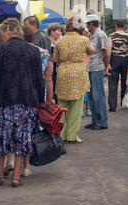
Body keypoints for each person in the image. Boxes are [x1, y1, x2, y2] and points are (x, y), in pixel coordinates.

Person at [0, 18, 45, 187]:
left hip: (4, 101)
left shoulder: (0, 50)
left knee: (1, 137)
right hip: (27, 101)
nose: (0, 36)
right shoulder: (33, 51)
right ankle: (16, 177)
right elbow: (38, 80)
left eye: (1, 33)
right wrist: (40, 101)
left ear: (7, 31)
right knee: (22, 137)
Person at [53, 16, 94, 144]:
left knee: (63, 106)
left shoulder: (60, 41)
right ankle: (72, 136)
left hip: (63, 73)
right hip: (78, 74)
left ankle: (62, 134)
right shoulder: (83, 40)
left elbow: (55, 58)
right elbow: (92, 51)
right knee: (76, 107)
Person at [85, 14, 110, 131]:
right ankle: (95, 120)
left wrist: (105, 67)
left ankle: (102, 121)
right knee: (91, 96)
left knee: (98, 96)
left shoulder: (101, 34)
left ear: (91, 24)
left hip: (98, 68)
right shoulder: (93, 35)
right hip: (90, 67)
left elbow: (106, 53)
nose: (86, 26)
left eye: (87, 24)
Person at [107, 20, 128, 112]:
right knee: (125, 81)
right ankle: (124, 102)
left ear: (116, 26)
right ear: (124, 26)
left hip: (114, 59)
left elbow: (109, 50)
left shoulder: (112, 36)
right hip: (125, 60)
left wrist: (108, 63)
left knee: (113, 83)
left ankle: (112, 106)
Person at [47, 23, 63, 102]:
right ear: (52, 32)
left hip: (58, 72)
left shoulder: (59, 43)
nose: (60, 33)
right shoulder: (47, 43)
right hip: (49, 72)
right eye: (58, 31)